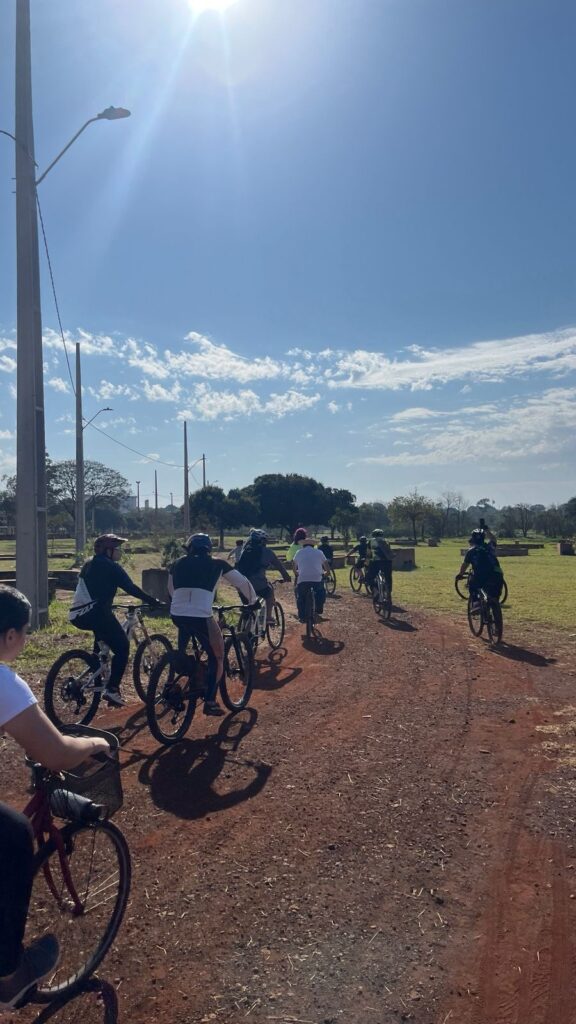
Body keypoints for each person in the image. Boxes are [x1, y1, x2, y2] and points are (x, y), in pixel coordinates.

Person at [0, 586, 110, 1010]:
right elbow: (57, 752)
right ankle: (10, 977)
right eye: (25, 632)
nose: (25, 640)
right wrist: (95, 745)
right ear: (10, 635)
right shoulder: (5, 683)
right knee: (13, 835)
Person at [168, 534, 257, 716]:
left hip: (177, 612)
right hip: (201, 615)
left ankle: (183, 661)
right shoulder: (218, 563)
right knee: (217, 656)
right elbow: (242, 582)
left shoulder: (177, 563)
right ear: (209, 548)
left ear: (189, 548)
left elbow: (170, 589)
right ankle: (210, 700)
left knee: (185, 631)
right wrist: (253, 600)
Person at [69, 534, 162, 708]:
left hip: (77, 614)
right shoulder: (111, 566)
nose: (119, 552)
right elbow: (130, 587)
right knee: (122, 648)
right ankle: (112, 689)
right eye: (116, 548)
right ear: (108, 550)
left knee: (102, 645)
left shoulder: (89, 563)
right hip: (96, 613)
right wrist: (153, 601)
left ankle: (95, 669)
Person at [236, 529, 291, 625]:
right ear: (262, 541)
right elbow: (280, 567)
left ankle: (245, 626)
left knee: (248, 605)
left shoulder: (243, 551)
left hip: (241, 585)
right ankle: (268, 618)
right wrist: (286, 577)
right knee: (269, 592)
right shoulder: (267, 552)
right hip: (258, 585)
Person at [456, 529, 504, 603]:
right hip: (497, 573)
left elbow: (465, 565)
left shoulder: (471, 551)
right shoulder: (490, 547)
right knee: (495, 594)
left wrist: (460, 574)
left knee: (472, 586)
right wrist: (487, 530)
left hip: (480, 575)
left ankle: (476, 603)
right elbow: (493, 539)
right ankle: (495, 604)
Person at [293, 538, 330, 623]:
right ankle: (319, 608)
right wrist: (325, 574)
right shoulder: (319, 552)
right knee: (321, 591)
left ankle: (302, 616)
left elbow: (294, 565)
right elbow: (327, 568)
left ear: (303, 545)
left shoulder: (299, 552)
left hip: (303, 579)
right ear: (314, 545)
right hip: (317, 578)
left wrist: (297, 574)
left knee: (301, 597)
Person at [365, 529, 394, 597]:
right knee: (388, 578)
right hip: (387, 562)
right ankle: (388, 591)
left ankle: (375, 590)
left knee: (369, 577)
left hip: (376, 562)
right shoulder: (386, 541)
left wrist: (366, 563)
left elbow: (368, 554)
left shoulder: (371, 541)